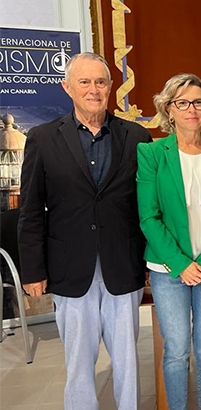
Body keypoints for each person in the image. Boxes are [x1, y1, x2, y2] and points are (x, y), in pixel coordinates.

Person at [17, 52, 151, 409]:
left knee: (127, 360)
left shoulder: (137, 136)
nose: (94, 89)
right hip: (69, 269)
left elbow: (148, 207)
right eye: (85, 82)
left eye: (101, 81)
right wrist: (33, 270)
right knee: (78, 363)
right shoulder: (43, 138)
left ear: (111, 87)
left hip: (123, 266)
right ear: (67, 87)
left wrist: (152, 262)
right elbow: (30, 210)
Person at [136, 73, 201, 410]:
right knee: (177, 351)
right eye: (182, 102)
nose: (191, 109)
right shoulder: (152, 154)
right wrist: (181, 264)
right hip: (169, 271)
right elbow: (149, 216)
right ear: (169, 109)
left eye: (198, 102)